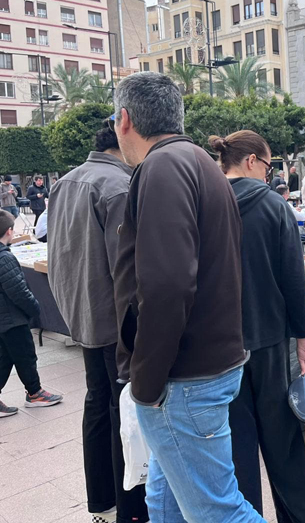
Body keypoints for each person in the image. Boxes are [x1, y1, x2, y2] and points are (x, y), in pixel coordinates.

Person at [110, 72, 261, 522]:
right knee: (164, 500)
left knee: (219, 511)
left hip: (183, 378)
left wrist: (147, 380)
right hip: (202, 367)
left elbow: (168, 284)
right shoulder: (197, 161)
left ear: (124, 120)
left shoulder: (162, 167)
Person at [209, 131, 305, 521]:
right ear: (251, 161)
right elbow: (293, 278)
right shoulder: (274, 206)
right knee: (284, 443)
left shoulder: (204, 203)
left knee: (236, 448)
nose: (268, 173)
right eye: (268, 164)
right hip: (269, 339)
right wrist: (302, 336)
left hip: (220, 345)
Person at [48, 125, 149, 523]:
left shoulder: (66, 182)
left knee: (97, 402)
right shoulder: (118, 186)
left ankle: (101, 499)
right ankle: (131, 509)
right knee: (123, 410)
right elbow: (126, 271)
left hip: (83, 313)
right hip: (114, 321)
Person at [0, 210, 63, 418]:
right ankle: (35, 393)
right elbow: (18, 291)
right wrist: (35, 309)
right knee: (25, 355)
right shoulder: (4, 258)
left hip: (4, 319)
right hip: (12, 318)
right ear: (9, 231)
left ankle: (34, 392)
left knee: (6, 357)